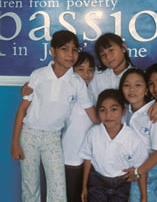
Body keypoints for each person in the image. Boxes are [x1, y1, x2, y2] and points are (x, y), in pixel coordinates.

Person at [10, 30, 97, 202]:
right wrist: (14, 144)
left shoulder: (76, 82)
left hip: (52, 138)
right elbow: (22, 110)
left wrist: (109, 126)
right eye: (64, 49)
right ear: (52, 51)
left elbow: (91, 112)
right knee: (30, 185)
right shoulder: (38, 76)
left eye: (74, 50)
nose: (70, 54)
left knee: (58, 188)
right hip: (29, 136)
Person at [80, 89, 148, 202]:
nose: (108, 115)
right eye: (103, 110)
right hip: (97, 181)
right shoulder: (93, 133)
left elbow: (141, 167)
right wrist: (84, 187)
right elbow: (87, 159)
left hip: (122, 183)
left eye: (114, 109)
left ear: (123, 111)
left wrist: (144, 197)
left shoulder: (132, 138)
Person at [119, 68, 157, 202]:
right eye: (127, 85)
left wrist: (138, 171)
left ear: (146, 90)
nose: (132, 90)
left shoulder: (154, 113)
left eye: (138, 85)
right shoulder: (124, 112)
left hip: (154, 171)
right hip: (136, 171)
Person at [88, 33, 157, 122]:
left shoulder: (139, 76)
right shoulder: (96, 76)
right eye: (103, 55)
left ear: (123, 47)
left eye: (111, 50)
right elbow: (90, 104)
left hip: (133, 128)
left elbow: (154, 97)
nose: (108, 57)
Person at [61, 51, 97, 202]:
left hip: (89, 160)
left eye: (90, 70)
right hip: (69, 158)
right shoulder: (66, 93)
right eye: (81, 69)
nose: (86, 74)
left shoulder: (93, 95)